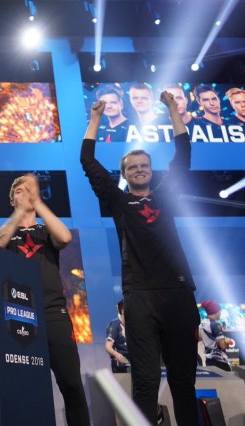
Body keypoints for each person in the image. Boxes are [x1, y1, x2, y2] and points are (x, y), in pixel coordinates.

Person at [80, 91, 200, 425]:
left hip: (178, 294)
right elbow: (87, 161)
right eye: (132, 167)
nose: (139, 170)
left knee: (183, 382)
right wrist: (95, 119)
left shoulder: (166, 196)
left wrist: (173, 109)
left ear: (151, 170)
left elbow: (184, 153)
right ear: (125, 174)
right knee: (145, 383)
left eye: (144, 166)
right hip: (140, 298)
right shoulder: (118, 202)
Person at [0, 173, 90, 426]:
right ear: (11, 201)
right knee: (26, 389)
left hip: (54, 314)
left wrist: (38, 203)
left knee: (71, 384)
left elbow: (65, 238)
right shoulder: (7, 234)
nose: (26, 194)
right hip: (18, 317)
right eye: (20, 191)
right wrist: (18, 214)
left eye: (30, 190)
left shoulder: (46, 232)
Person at [199, 300, 232, 372]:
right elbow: (223, 346)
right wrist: (228, 341)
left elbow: (200, 338)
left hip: (208, 360)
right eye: (219, 311)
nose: (220, 313)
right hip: (219, 361)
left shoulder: (202, 323)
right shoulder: (216, 324)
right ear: (215, 312)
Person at [105, 300, 130, 373]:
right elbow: (108, 347)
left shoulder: (133, 324)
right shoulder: (114, 325)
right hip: (120, 365)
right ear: (123, 311)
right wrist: (116, 355)